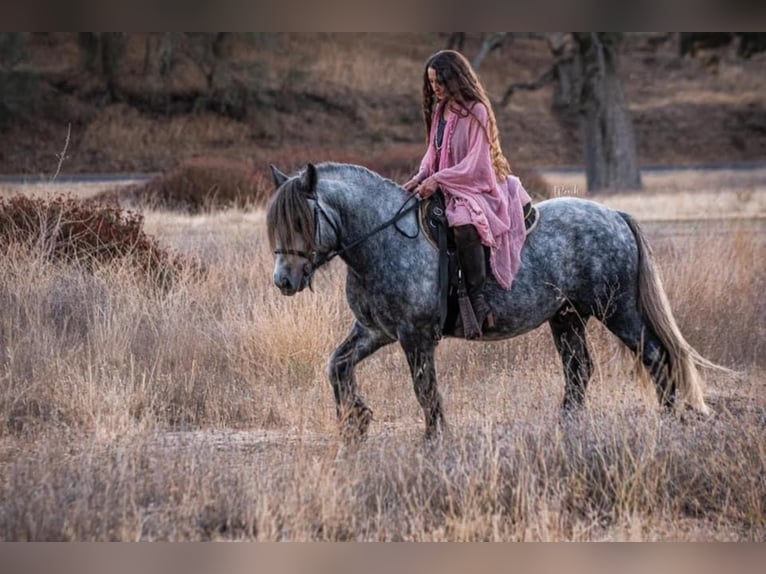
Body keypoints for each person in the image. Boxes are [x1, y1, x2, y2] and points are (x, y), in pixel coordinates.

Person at [403, 49, 532, 339]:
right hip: (448, 184)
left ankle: (477, 299)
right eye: (431, 82)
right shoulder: (441, 110)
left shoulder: (477, 111)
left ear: (454, 79)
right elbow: (431, 155)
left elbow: (476, 164)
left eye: (439, 82)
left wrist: (437, 179)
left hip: (477, 186)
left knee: (463, 225)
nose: (434, 88)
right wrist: (419, 178)